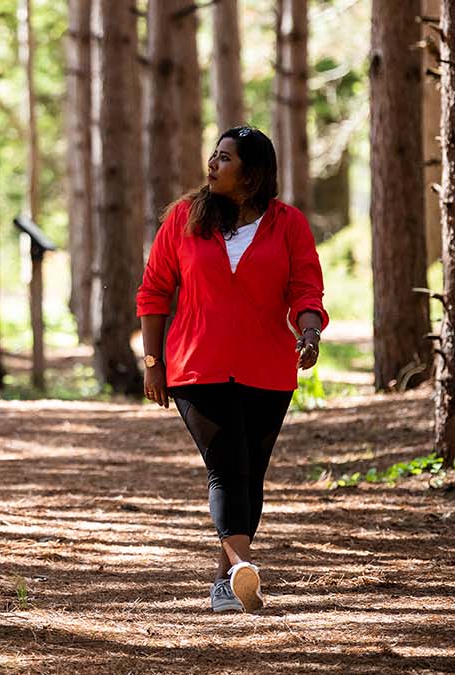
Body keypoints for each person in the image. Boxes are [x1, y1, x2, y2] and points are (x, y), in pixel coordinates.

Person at [135, 126, 327, 613]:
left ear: (252, 172)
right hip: (198, 366)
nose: (212, 164)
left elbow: (306, 289)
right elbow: (154, 292)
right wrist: (153, 363)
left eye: (224, 158)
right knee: (226, 468)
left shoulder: (289, 224)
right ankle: (241, 568)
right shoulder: (185, 217)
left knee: (251, 474)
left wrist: (309, 333)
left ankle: (229, 577)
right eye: (213, 155)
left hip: (268, 368)